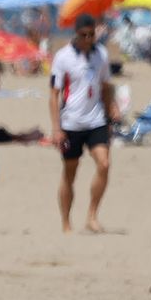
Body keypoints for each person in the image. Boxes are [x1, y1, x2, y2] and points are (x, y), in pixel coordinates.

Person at [50, 14, 117, 233]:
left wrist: (110, 111)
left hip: (95, 119)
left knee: (104, 164)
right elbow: (54, 95)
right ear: (76, 34)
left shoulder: (101, 54)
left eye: (91, 35)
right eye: (84, 35)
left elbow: (106, 86)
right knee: (70, 172)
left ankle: (92, 215)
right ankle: (66, 222)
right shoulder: (63, 57)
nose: (88, 39)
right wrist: (56, 128)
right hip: (71, 122)